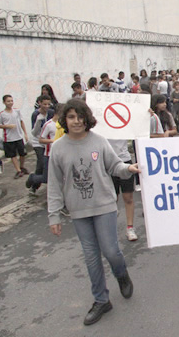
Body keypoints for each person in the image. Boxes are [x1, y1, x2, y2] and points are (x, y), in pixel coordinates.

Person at [48, 99, 140, 326]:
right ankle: (101, 300)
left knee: (110, 251)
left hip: (104, 206)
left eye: (80, 116)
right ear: (65, 120)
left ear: (86, 118)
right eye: (71, 117)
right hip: (79, 211)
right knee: (91, 257)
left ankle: (121, 274)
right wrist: (54, 215)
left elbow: (115, 166)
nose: (76, 121)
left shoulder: (99, 141)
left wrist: (128, 169)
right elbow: (54, 183)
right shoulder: (58, 148)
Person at [26, 104, 61, 196]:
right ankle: (33, 178)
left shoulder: (63, 125)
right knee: (46, 178)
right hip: (49, 155)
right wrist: (53, 141)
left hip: (59, 155)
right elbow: (41, 139)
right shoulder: (48, 125)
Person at [108, 139, 138, 241]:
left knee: (128, 197)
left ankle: (130, 228)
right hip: (108, 162)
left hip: (125, 160)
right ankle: (109, 228)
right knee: (112, 198)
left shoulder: (125, 124)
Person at [0, 95, 29, 178]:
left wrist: (25, 133)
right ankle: (18, 170)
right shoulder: (2, 114)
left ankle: (22, 167)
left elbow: (21, 122)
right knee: (12, 155)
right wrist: (7, 126)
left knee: (22, 153)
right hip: (9, 138)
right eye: (8, 101)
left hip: (18, 136)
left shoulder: (17, 111)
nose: (10, 102)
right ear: (4, 102)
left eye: (11, 101)